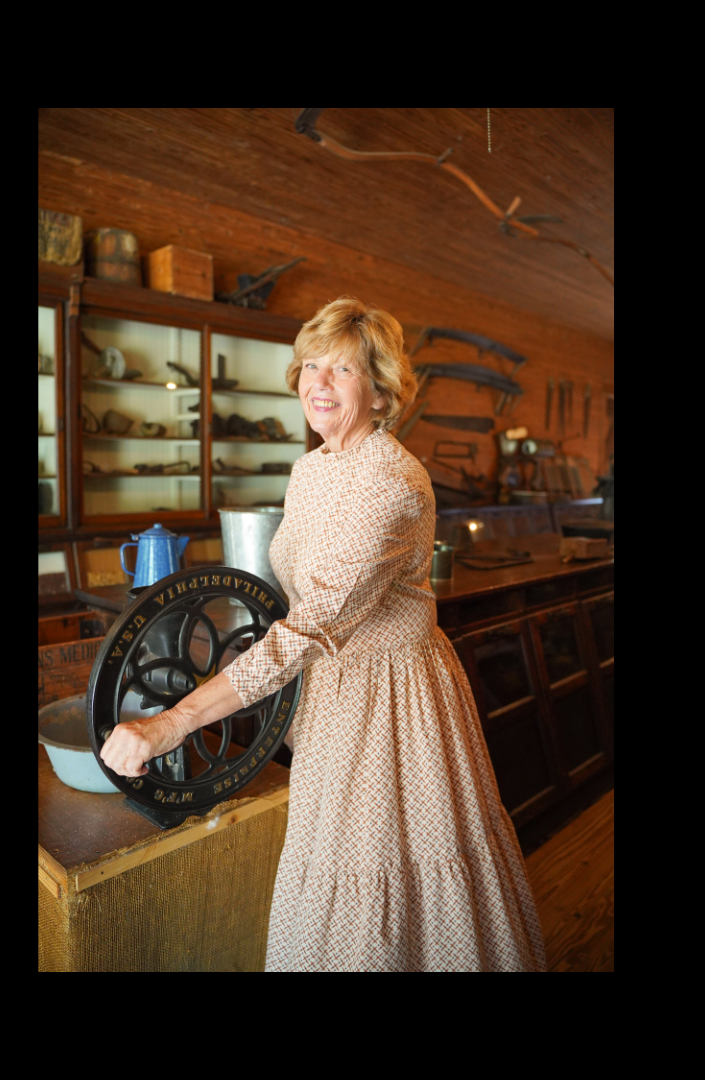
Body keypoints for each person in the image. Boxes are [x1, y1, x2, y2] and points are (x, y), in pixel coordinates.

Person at [99, 296, 545, 972]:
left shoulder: (388, 484)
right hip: (331, 691)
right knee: (330, 864)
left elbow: (303, 631)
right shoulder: (313, 469)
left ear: (381, 387)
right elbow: (293, 593)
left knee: (379, 877)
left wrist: (171, 725)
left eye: (341, 369)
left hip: (388, 701)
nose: (318, 384)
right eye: (311, 365)